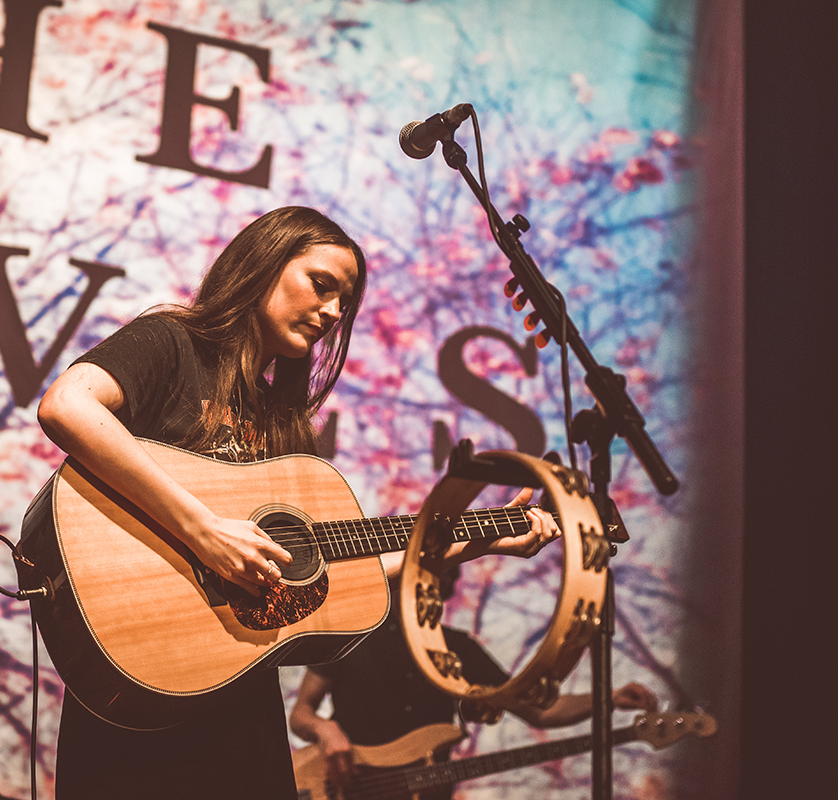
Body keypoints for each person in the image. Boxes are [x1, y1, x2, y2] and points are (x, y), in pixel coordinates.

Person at [35, 206, 563, 799]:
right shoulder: (172, 343)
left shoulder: (285, 425)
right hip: (136, 694)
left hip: (239, 709)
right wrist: (204, 529)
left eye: (346, 301)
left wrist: (480, 540)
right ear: (263, 265)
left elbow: (345, 573)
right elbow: (66, 406)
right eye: (322, 285)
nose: (335, 312)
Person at [289, 553, 659, 794]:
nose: (434, 590)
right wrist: (325, 728)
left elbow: (541, 711)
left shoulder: (460, 649)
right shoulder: (355, 636)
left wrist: (608, 698)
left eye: (443, 581)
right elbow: (301, 714)